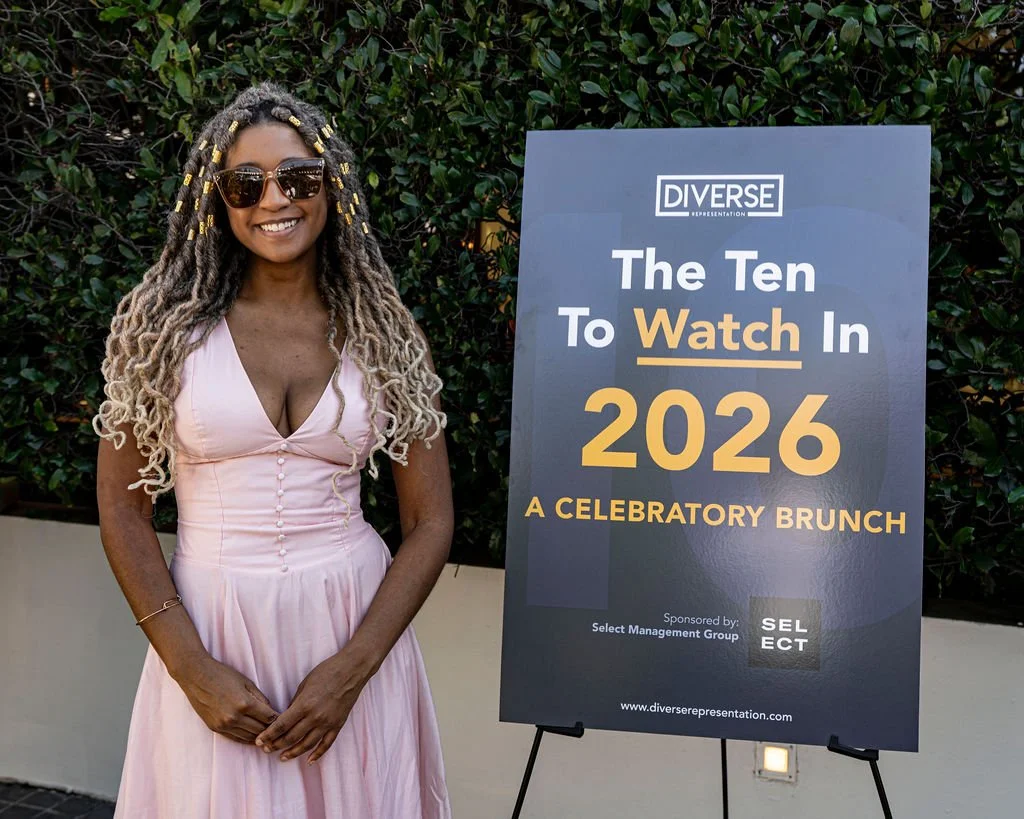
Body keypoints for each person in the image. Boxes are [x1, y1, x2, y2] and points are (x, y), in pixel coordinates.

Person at [92, 81, 453, 818]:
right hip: (211, 628)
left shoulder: (386, 333)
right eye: (246, 184)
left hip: (353, 626)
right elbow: (123, 511)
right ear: (218, 203)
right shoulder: (160, 331)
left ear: (332, 186)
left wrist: (352, 670)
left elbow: (430, 520)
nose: (274, 200)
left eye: (299, 177)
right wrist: (190, 668)